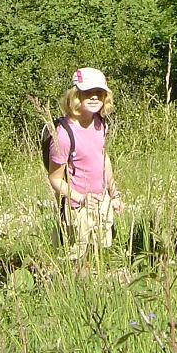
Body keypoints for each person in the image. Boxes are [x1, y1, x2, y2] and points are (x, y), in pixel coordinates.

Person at [46, 66, 123, 259]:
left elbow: (103, 158)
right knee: (75, 258)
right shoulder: (63, 134)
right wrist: (81, 198)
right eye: (88, 92)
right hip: (76, 207)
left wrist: (114, 194)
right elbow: (55, 179)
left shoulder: (100, 123)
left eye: (99, 92)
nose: (95, 97)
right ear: (75, 96)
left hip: (100, 200)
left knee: (97, 254)